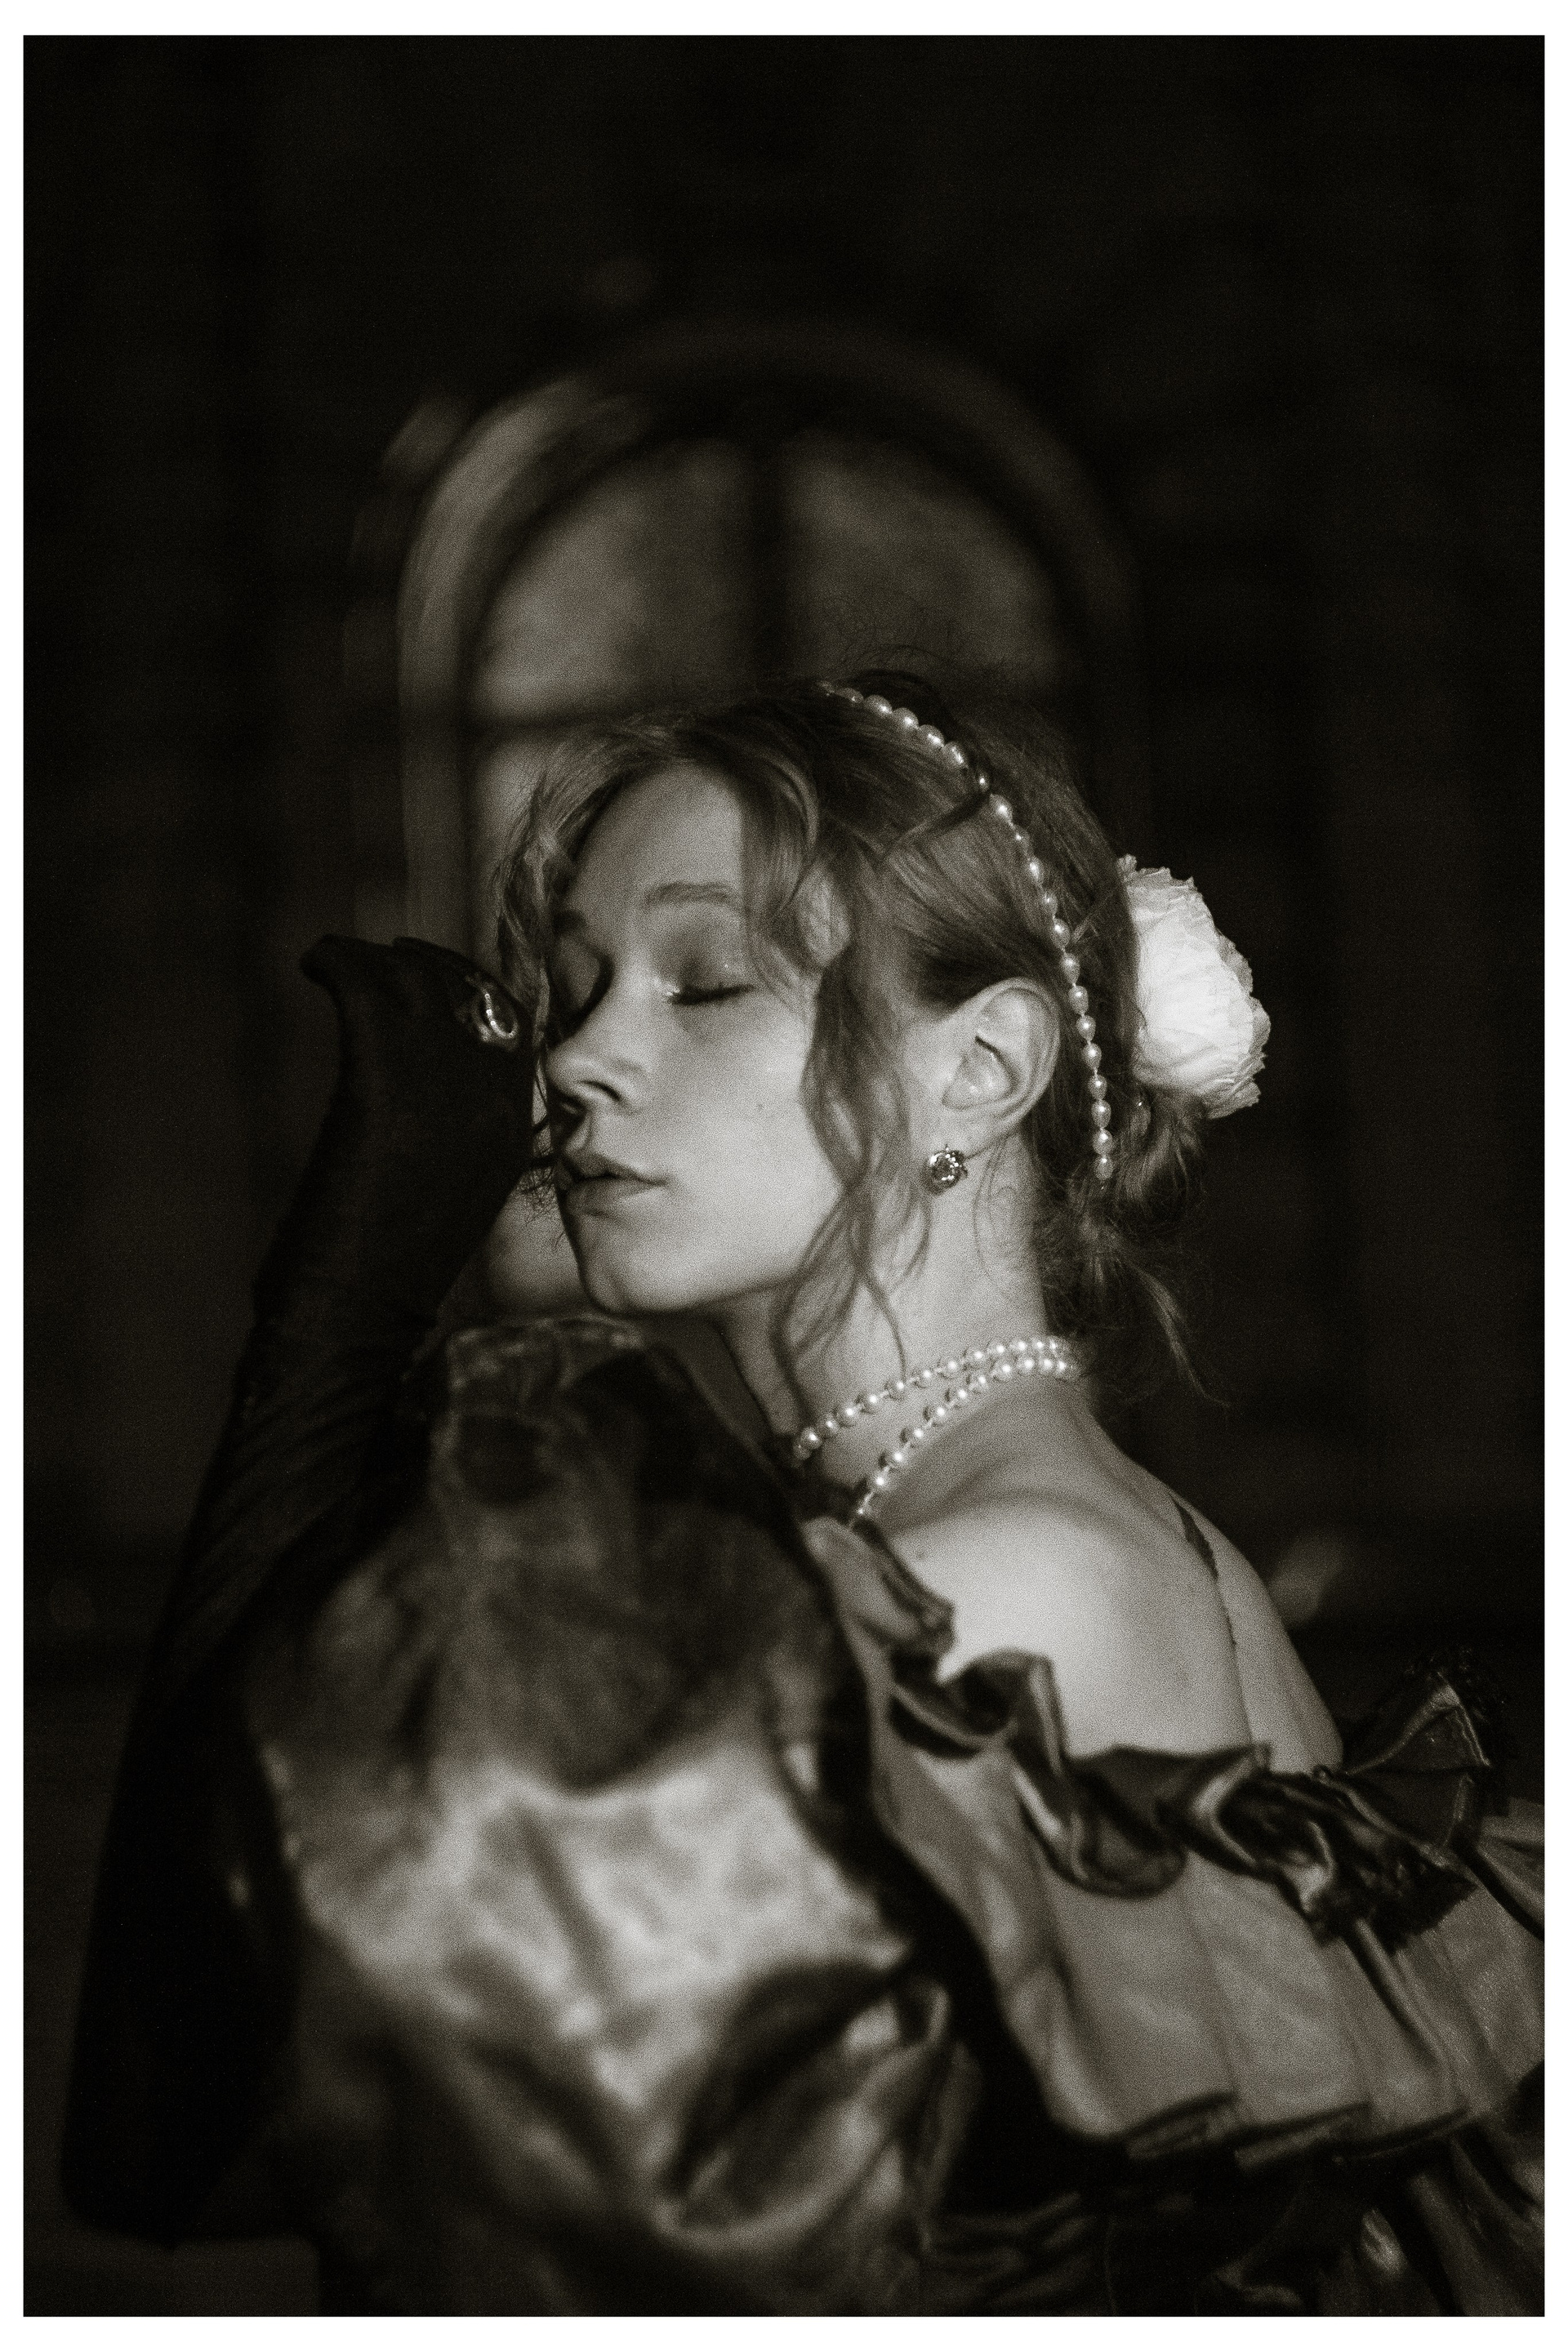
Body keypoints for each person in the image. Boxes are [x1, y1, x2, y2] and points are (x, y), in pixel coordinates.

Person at [65, 673, 1543, 2314]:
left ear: (981, 1069)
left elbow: (182, 2121)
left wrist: (337, 1320)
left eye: (704, 985)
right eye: (575, 986)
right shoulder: (1048, 1545)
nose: (578, 1060)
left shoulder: (1000, 1601)